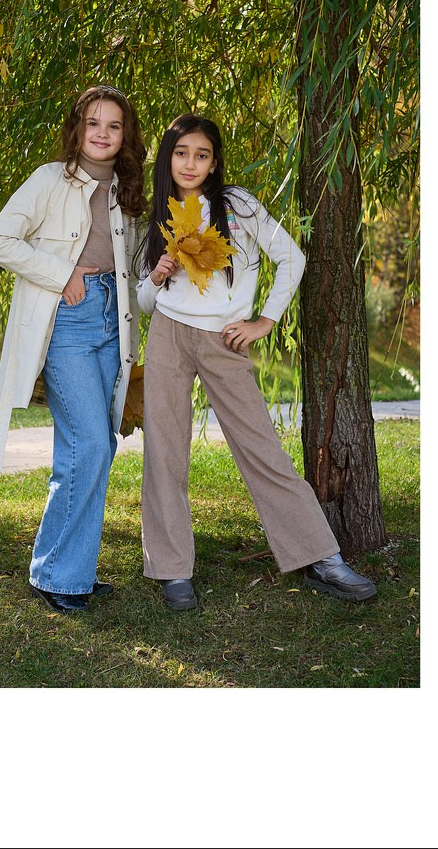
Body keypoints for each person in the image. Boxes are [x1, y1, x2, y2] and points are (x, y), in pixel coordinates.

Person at [135, 114, 378, 609]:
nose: (190, 163)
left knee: (261, 447)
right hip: (167, 336)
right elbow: (142, 302)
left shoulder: (237, 205)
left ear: (214, 163)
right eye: (181, 153)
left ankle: (321, 557)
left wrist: (265, 320)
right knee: (164, 451)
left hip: (225, 339)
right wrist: (156, 276)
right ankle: (171, 569)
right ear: (167, 158)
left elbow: (292, 257)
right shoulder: (156, 214)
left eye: (201, 155)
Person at [0, 87, 144, 614]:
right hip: (67, 318)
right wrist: (62, 274)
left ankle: (72, 570)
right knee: (87, 443)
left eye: (114, 125)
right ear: (77, 129)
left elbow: (134, 265)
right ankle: (55, 575)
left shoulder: (127, 189)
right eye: (93, 123)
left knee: (99, 446)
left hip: (113, 319)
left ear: (125, 134)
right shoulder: (50, 179)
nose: (102, 133)